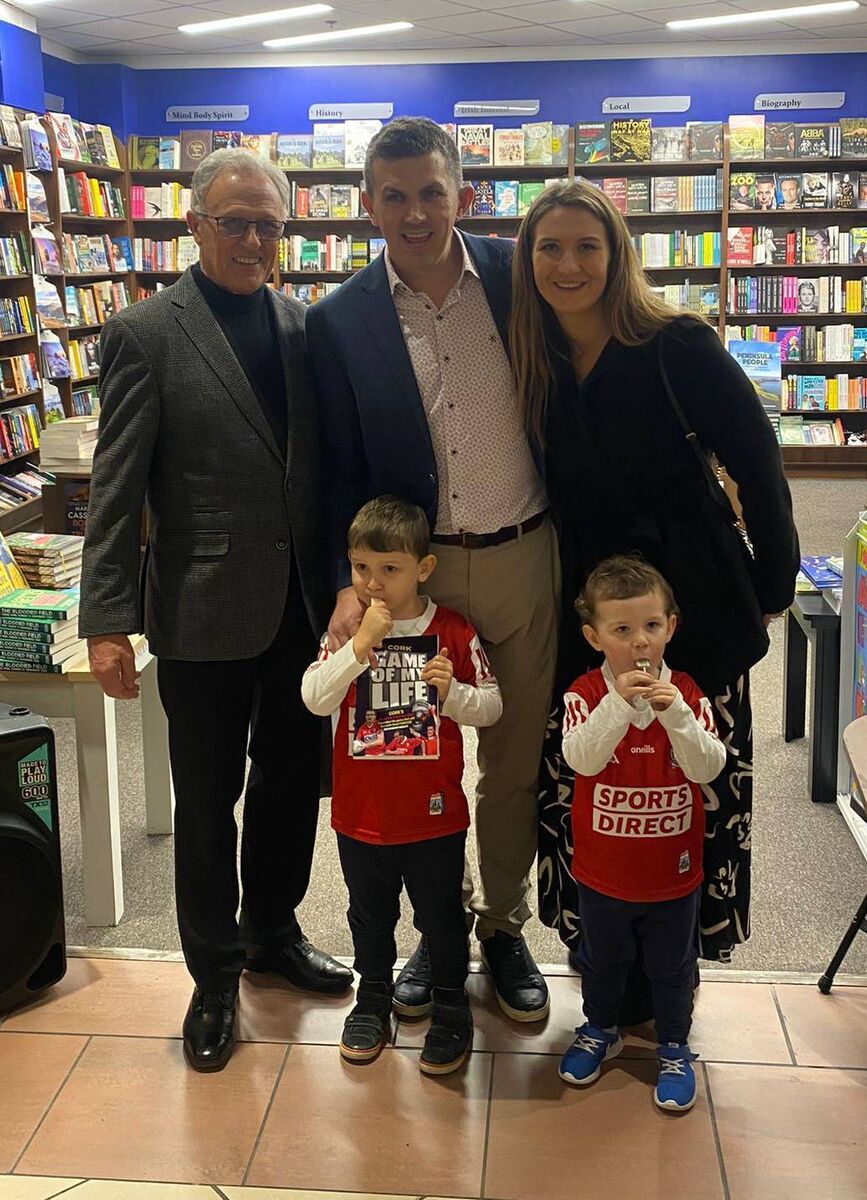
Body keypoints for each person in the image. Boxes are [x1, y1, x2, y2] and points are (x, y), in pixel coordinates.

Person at [79, 147, 351, 1073]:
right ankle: (212, 974)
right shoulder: (145, 333)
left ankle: (273, 931)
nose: (251, 240)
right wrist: (106, 621)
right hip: (199, 610)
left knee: (291, 782)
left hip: (300, 610)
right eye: (233, 222)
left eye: (268, 225)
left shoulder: (305, 327)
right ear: (193, 224)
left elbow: (319, 472)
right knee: (206, 800)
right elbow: (116, 488)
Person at [509, 179, 799, 1019]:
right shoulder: (532, 355)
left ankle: (675, 963)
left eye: (586, 246)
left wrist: (771, 584)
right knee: (591, 775)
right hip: (586, 611)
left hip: (691, 605)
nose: (567, 265)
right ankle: (599, 950)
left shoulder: (676, 344)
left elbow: (758, 463)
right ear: (527, 260)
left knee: (694, 780)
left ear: (618, 253)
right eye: (549, 247)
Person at [306, 117, 558, 1022]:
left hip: (524, 554)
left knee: (512, 756)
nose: (414, 213)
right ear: (367, 203)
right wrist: (349, 584)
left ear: (463, 195)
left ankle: (501, 925)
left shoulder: (521, 279)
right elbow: (334, 461)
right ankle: (438, 929)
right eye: (395, 195)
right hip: (412, 578)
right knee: (415, 753)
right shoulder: (338, 319)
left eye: (431, 192)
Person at [301, 496, 502, 1073]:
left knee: (440, 915)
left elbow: (491, 705)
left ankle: (451, 1004)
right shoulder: (347, 633)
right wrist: (357, 649)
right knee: (369, 915)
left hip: (434, 814)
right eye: (362, 567)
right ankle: (372, 998)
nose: (374, 583)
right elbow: (315, 698)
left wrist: (452, 694)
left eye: (390, 568)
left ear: (424, 568)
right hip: (361, 814)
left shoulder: (453, 630)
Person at [558, 556, 726, 1113]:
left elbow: (708, 767)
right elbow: (581, 759)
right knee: (602, 960)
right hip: (603, 873)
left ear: (670, 627)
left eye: (651, 626)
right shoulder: (584, 694)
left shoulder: (688, 694)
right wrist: (617, 705)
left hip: (672, 875)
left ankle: (674, 1046)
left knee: (672, 968)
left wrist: (676, 715)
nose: (639, 643)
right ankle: (598, 1028)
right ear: (594, 637)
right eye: (622, 629)